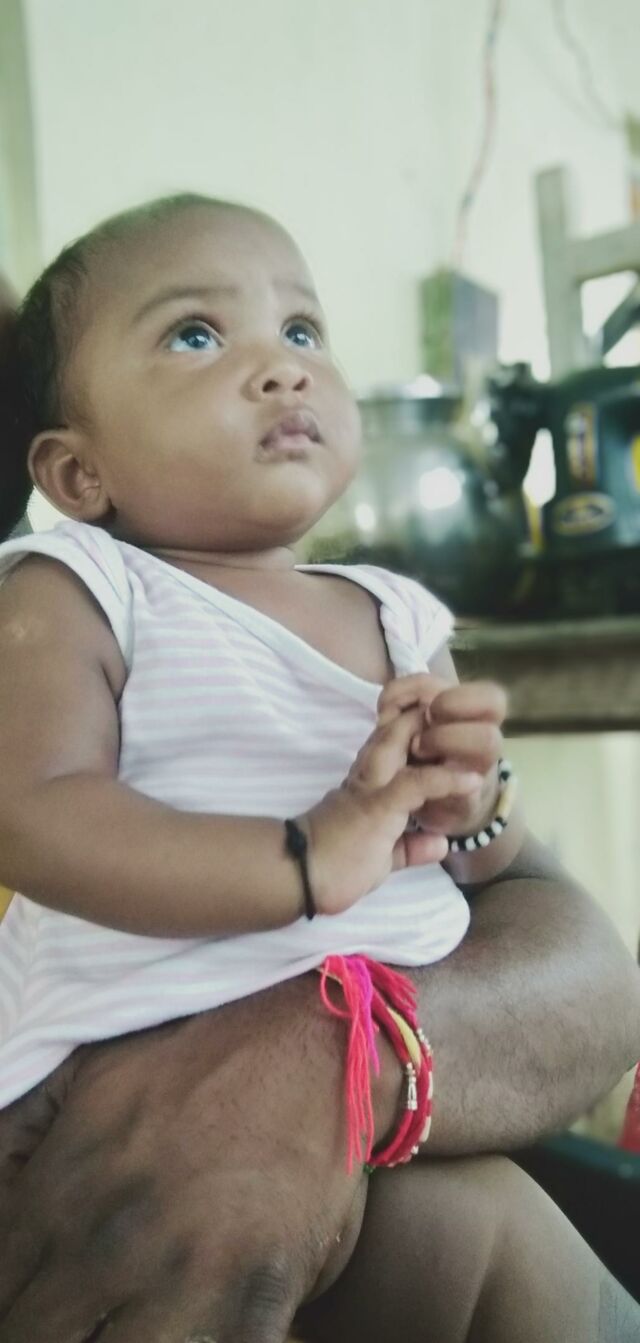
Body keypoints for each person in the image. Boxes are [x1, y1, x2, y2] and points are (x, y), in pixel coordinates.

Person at [0, 193, 639, 1342]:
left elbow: (558, 940)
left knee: (481, 1229)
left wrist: (469, 798)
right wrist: (304, 853)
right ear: (75, 473)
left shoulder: (390, 612)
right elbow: (38, 809)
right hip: (110, 1170)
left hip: (397, 1165)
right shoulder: (75, 598)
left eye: (301, 331)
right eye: (196, 334)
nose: (282, 367)